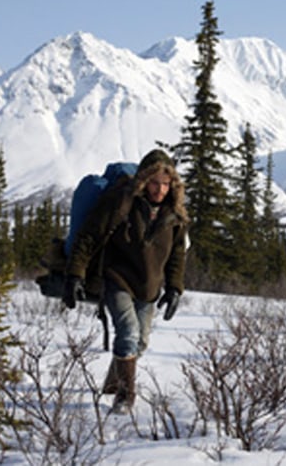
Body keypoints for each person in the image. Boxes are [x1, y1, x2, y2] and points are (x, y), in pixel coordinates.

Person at [62, 148, 189, 414]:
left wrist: (175, 288)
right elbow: (88, 237)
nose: (160, 189)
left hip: (149, 286)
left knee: (140, 342)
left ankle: (113, 381)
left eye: (166, 184)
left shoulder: (174, 215)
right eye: (155, 182)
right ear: (144, 180)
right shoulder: (121, 202)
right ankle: (125, 397)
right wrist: (75, 274)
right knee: (128, 333)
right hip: (117, 277)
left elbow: (178, 254)